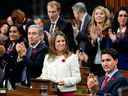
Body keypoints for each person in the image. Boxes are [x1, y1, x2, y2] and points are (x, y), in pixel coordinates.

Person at [39, 32, 81, 96]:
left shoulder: (72, 57)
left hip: (66, 92)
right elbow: (44, 75)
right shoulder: (47, 57)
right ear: (53, 43)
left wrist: (65, 81)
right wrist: (38, 79)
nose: (61, 43)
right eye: (58, 41)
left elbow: (77, 78)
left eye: (63, 41)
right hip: (50, 92)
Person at [88, 6, 112, 76]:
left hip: (106, 65)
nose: (99, 15)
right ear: (94, 16)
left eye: (101, 13)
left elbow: (109, 50)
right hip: (94, 64)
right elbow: (89, 51)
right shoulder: (91, 30)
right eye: (96, 14)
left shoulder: (109, 30)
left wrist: (101, 39)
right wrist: (93, 41)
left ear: (105, 16)